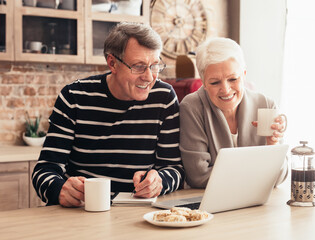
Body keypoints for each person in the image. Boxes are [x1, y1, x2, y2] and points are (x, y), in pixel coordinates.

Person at [32, 22, 184, 207]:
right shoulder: (74, 96)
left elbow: (174, 169)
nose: (149, 77)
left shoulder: (164, 97)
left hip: (138, 214)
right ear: (112, 63)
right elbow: (44, 170)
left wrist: (160, 181)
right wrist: (60, 190)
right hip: (82, 210)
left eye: (154, 65)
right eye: (138, 66)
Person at [179, 37, 287, 188]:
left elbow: (279, 176)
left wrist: (273, 144)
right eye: (215, 82)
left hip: (257, 203)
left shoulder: (266, 105)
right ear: (203, 82)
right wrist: (260, 172)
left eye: (233, 79)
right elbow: (198, 176)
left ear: (244, 74)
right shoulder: (192, 107)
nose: (225, 89)